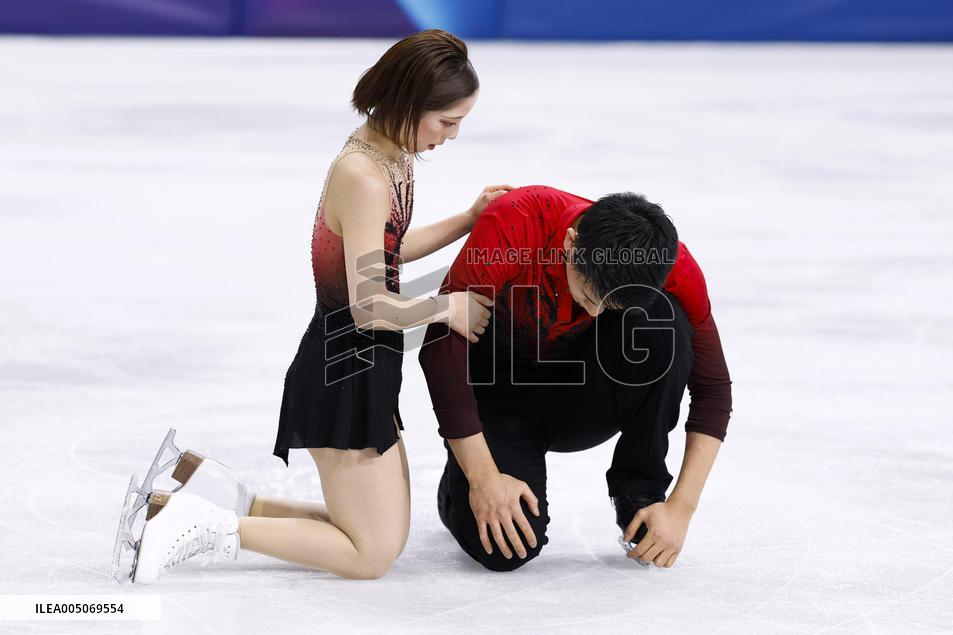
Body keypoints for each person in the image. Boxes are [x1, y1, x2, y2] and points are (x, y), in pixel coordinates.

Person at [113, 29, 510, 584]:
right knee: (370, 554)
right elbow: (369, 305)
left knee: (378, 538)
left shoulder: (391, 155)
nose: (453, 135)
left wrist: (466, 220)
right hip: (342, 367)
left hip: (367, 364)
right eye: (448, 122)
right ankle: (189, 523)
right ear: (410, 103)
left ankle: (214, 495)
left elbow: (383, 254)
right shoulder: (365, 175)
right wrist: (447, 308)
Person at [418, 185, 732, 571]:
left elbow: (713, 387)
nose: (596, 313)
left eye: (609, 305)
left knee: (664, 326)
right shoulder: (517, 221)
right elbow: (440, 348)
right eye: (587, 295)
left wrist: (681, 508)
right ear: (570, 243)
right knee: (506, 549)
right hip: (499, 392)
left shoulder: (670, 263)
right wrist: (482, 477)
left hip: (578, 390)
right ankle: (458, 486)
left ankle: (640, 493)